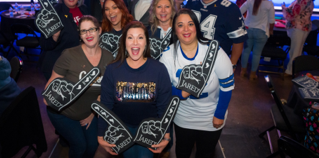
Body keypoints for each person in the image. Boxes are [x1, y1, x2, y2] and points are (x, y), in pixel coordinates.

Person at [159, 9, 234, 158]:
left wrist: (219, 114)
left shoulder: (214, 50)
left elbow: (227, 86)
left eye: (190, 24)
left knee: (205, 154)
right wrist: (182, 93)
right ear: (175, 30)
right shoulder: (167, 55)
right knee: (182, 153)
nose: (186, 29)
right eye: (180, 25)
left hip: (211, 116)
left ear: (196, 27)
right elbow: (163, 90)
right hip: (183, 117)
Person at [98, 21, 172, 158]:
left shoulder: (159, 69)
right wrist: (101, 134)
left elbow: (164, 106)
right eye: (130, 37)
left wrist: (166, 135)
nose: (135, 43)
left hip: (149, 130)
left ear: (146, 43)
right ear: (124, 42)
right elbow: (106, 104)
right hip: (122, 129)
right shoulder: (112, 69)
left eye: (140, 37)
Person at [44, 15, 113, 158]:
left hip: (87, 113)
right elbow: (50, 86)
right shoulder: (69, 55)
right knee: (80, 146)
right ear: (80, 35)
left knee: (93, 146)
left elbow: (106, 91)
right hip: (63, 113)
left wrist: (92, 113)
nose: (88, 34)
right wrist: (49, 97)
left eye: (91, 30)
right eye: (83, 31)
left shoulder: (108, 58)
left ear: (99, 30)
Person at [183, 0, 247, 71]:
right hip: (190, 60)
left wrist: (233, 64)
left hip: (216, 64)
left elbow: (238, 40)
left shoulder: (230, 9)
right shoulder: (191, 3)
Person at [40, 0, 89, 80]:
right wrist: (55, 36)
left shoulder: (84, 10)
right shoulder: (53, 12)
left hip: (79, 66)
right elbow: (45, 45)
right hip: (57, 68)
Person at [240, 0, 275, 80]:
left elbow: (239, 12)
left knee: (246, 51)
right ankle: (252, 75)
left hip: (248, 30)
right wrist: (271, 30)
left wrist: (245, 21)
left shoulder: (249, 1)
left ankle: (242, 72)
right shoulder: (269, 4)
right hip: (262, 32)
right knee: (256, 53)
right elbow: (272, 21)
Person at [282, 0, 315, 76]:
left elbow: (293, 14)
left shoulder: (302, 0)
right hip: (303, 28)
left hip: (298, 28)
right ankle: (294, 70)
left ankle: (290, 72)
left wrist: (284, 9)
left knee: (295, 50)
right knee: (297, 49)